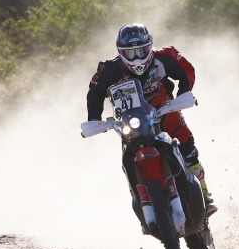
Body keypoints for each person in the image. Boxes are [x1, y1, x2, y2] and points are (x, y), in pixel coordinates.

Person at [87, 23, 217, 220]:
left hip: (164, 111)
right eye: (131, 53)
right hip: (131, 122)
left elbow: (186, 71)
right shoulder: (109, 69)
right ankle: (141, 201)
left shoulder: (165, 57)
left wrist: (182, 95)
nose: (137, 57)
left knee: (188, 149)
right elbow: (95, 93)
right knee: (127, 160)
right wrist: (94, 120)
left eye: (142, 50)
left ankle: (205, 196)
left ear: (150, 46)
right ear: (121, 53)